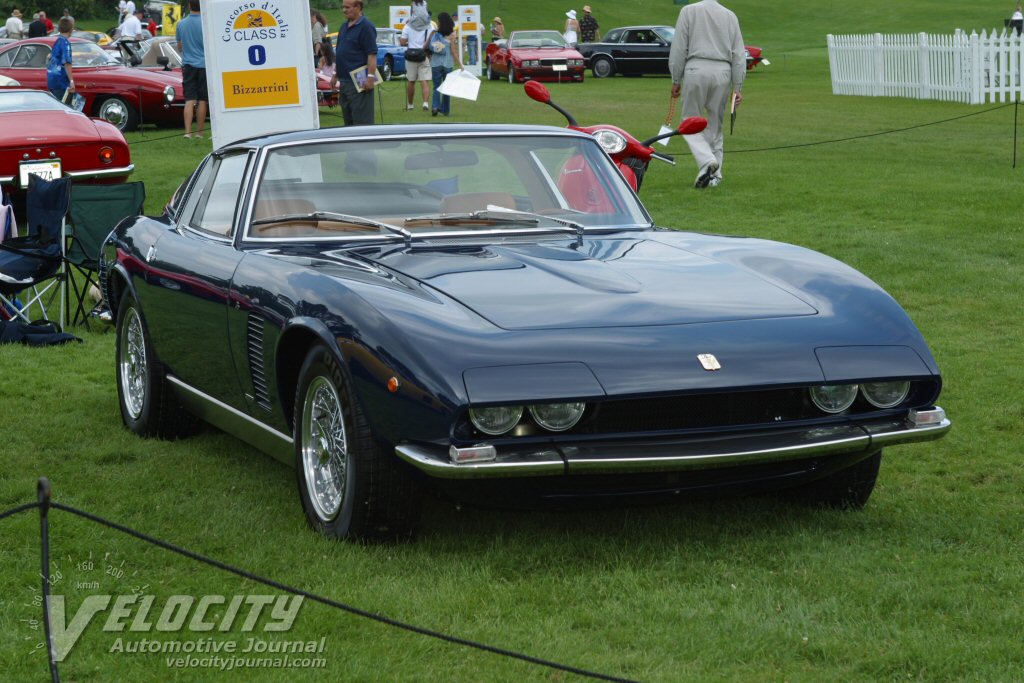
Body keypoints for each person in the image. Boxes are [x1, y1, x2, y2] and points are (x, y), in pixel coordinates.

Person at [669, 0, 745, 189]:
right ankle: (714, 176)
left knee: (688, 121)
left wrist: (676, 79)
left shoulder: (688, 11)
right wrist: (738, 86)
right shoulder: (730, 15)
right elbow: (738, 54)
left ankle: (707, 161)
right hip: (723, 72)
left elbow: (679, 47)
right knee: (715, 126)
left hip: (696, 68)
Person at [331, 0, 377, 126]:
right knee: (348, 122)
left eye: (347, 7)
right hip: (344, 81)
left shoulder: (366, 26)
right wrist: (335, 74)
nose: (344, 10)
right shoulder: (343, 26)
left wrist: (370, 78)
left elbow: (371, 54)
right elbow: (339, 52)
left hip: (359, 81)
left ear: (358, 7)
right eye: (343, 7)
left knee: (362, 122)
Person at [176, 0, 207, 139]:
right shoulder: (206, 23)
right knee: (202, 100)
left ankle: (187, 132)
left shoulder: (181, 24)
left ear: (189, 6)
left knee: (189, 99)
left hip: (188, 65)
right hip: (204, 64)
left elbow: (180, 47)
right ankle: (199, 133)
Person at [428, 12, 462, 117]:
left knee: (436, 86)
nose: (437, 22)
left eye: (438, 20)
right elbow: (453, 51)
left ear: (441, 21)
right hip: (448, 64)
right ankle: (445, 110)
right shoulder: (452, 34)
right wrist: (461, 64)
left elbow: (430, 47)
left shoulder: (436, 33)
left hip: (436, 63)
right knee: (447, 88)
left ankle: (435, 107)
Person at [401, 14, 432, 111]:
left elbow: (402, 42)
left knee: (411, 81)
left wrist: (409, 41)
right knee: (424, 81)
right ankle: (425, 103)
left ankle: (410, 104)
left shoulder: (407, 26)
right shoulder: (428, 25)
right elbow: (431, 40)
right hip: (423, 55)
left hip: (411, 55)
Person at [47, 17, 74, 102]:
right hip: (61, 82)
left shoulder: (57, 41)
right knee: (64, 107)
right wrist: (72, 81)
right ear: (71, 29)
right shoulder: (66, 44)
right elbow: (67, 63)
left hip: (51, 79)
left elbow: (50, 58)